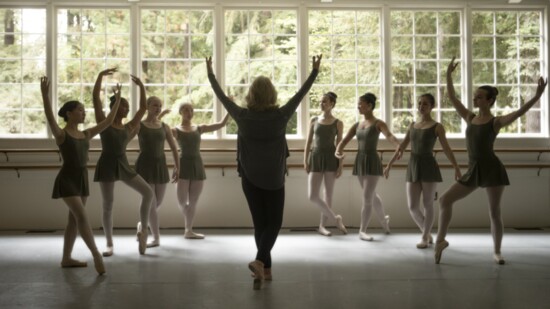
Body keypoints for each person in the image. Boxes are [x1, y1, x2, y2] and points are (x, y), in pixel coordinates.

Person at [206, 54, 322, 290]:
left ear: (251, 94)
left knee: (260, 224)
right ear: (272, 95)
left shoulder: (242, 116)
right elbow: (300, 95)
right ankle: (260, 262)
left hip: (249, 177)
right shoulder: (280, 116)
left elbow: (220, 96)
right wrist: (314, 72)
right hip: (274, 178)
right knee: (274, 223)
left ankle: (265, 271)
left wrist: (210, 74)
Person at [435, 57, 547, 265]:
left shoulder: (495, 122)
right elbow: (452, 98)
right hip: (473, 169)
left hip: (492, 169)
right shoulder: (469, 117)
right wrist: (449, 75)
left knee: (494, 212)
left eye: (479, 97)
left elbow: (518, 113)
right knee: (444, 200)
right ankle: (440, 241)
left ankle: (497, 252)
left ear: (489, 101)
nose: (475, 100)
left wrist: (537, 96)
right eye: (475, 97)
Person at [40, 76, 122, 275]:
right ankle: (95, 254)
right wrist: (45, 96)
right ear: (69, 114)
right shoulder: (62, 135)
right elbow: (51, 119)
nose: (83, 113)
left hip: (82, 179)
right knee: (82, 217)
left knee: (73, 221)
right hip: (67, 179)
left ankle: (66, 258)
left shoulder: (86, 134)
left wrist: (117, 100)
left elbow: (109, 121)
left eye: (84, 110)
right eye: (80, 110)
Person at [384, 93, 461, 249]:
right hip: (413, 165)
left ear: (432, 106)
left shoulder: (437, 126)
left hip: (428, 165)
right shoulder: (412, 125)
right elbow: (402, 147)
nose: (421, 106)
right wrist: (389, 165)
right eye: (419, 103)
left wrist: (456, 166)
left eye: (425, 104)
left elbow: (446, 148)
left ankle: (425, 236)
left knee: (427, 203)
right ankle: (426, 231)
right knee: (412, 206)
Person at [92, 68, 154, 256]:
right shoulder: (104, 123)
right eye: (123, 105)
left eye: (127, 106)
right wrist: (100, 76)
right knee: (108, 204)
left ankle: (143, 230)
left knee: (148, 193)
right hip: (107, 164)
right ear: (115, 106)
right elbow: (95, 99)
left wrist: (142, 86)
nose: (127, 109)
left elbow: (143, 108)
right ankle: (109, 243)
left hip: (124, 164)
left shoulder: (128, 126)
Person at [335, 93, 399, 241]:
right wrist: (338, 151)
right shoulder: (357, 125)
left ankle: (362, 230)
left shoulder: (378, 123)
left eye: (361, 103)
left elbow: (389, 136)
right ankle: (384, 220)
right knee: (371, 194)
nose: (358, 106)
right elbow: (343, 141)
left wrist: (398, 146)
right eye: (358, 103)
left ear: (369, 105)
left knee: (367, 197)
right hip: (360, 160)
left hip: (372, 160)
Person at [171, 103, 230, 239]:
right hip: (182, 165)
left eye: (191, 109)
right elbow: (160, 129)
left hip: (197, 164)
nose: (189, 112)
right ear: (180, 112)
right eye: (186, 109)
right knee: (181, 202)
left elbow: (220, 124)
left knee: (193, 201)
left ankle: (188, 230)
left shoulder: (199, 128)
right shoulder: (175, 130)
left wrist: (228, 108)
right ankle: (188, 227)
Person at [135, 96, 180, 248]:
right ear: (147, 106)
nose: (158, 108)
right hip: (144, 166)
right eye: (155, 105)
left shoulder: (164, 126)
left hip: (160, 165)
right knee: (152, 203)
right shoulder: (139, 125)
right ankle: (155, 238)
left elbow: (174, 147)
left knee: (157, 202)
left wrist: (177, 166)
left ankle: (142, 224)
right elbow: (124, 139)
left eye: (160, 106)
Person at [304, 91, 347, 236]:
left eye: (325, 102)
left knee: (328, 194)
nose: (321, 104)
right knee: (312, 196)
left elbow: (340, 145)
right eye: (321, 101)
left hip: (331, 158)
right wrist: (305, 160)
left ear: (332, 104)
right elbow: (309, 142)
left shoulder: (338, 123)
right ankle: (336, 219)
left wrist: (340, 165)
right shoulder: (314, 120)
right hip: (315, 157)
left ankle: (322, 226)